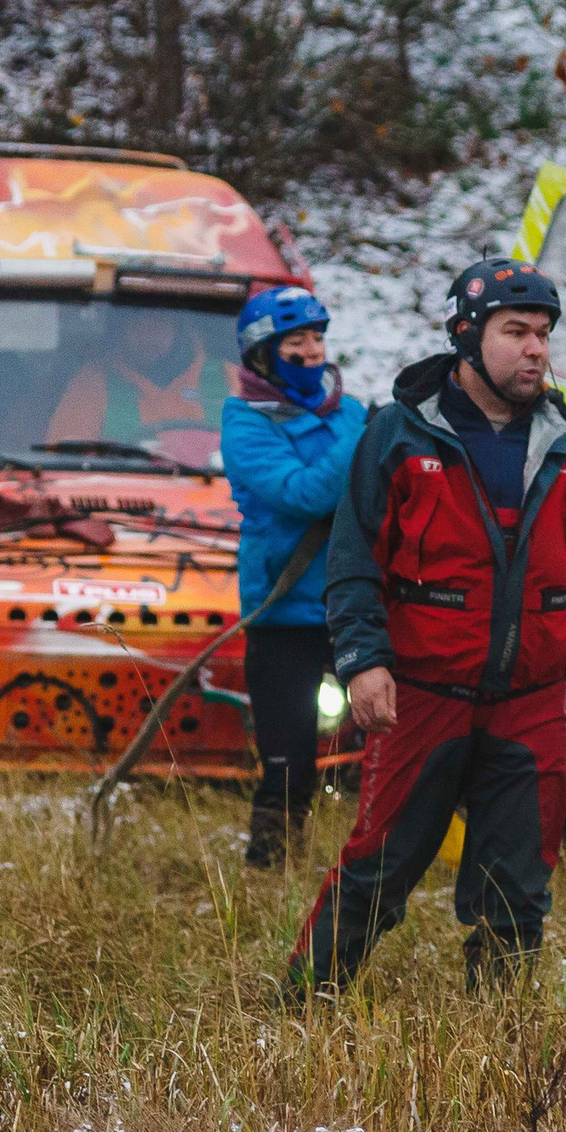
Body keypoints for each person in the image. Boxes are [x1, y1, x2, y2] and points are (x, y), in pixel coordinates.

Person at [291, 257, 566, 998]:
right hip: (422, 695)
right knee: (376, 869)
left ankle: (499, 1042)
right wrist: (363, 659)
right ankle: (301, 1006)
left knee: (519, 891)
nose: (535, 349)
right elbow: (354, 560)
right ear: (466, 334)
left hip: (531, 702)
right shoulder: (397, 435)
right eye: (516, 331)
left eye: (543, 333)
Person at [221, 285, 368, 869]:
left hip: (356, 602)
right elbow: (302, 495)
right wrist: (362, 434)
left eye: (315, 337)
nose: (310, 351)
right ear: (263, 355)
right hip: (284, 612)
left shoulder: (347, 410)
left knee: (392, 738)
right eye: (294, 342)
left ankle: (379, 860)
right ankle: (270, 872)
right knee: (287, 758)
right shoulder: (245, 425)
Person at [45, 311, 230, 466]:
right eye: (138, 323)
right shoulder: (93, 381)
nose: (148, 336)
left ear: (179, 327)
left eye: (158, 322)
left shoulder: (229, 378)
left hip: (212, 500)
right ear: (120, 329)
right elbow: (64, 459)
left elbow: (254, 455)